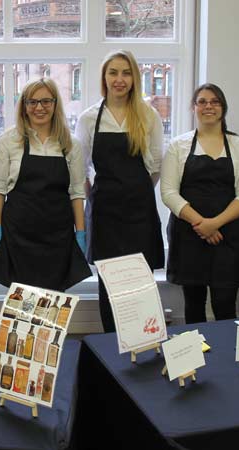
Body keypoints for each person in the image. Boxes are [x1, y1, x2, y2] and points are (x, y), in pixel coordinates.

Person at [75, 50, 165, 333]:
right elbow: (80, 170)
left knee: (140, 285)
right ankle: (110, 350)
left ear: (134, 78)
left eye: (126, 73)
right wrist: (95, 196)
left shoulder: (148, 115)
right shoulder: (89, 118)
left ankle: (141, 347)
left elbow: (156, 165)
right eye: (113, 72)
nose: (119, 79)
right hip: (104, 213)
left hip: (139, 212)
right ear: (104, 77)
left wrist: (134, 193)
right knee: (109, 285)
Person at [161, 83, 239, 323]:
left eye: (215, 101)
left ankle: (225, 358)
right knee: (194, 305)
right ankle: (197, 358)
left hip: (227, 234)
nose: (208, 106)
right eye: (202, 101)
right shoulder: (178, 145)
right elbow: (169, 193)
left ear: (223, 108)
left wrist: (215, 224)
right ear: (193, 108)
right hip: (189, 234)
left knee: (225, 304)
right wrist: (201, 224)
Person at [0, 78, 91, 292]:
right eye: (32, 102)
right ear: (24, 106)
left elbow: (76, 192)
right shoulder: (8, 141)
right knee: (19, 307)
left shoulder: (71, 144)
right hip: (18, 235)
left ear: (55, 105)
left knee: (53, 307)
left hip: (57, 237)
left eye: (46, 101)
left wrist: (80, 232)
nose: (39, 108)